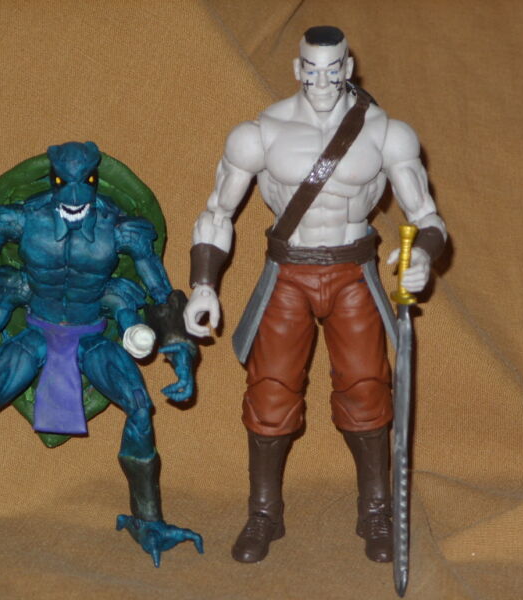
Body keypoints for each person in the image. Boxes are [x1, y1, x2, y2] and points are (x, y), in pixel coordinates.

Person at [183, 26, 447, 563]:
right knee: (270, 393)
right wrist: (203, 285)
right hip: (289, 273)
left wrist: (422, 255)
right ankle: (264, 511)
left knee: (367, 389)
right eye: (311, 70)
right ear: (298, 69)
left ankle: (375, 510)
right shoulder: (259, 134)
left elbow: (427, 217)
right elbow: (216, 213)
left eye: (333, 71)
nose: (322, 82)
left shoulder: (387, 134)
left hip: (353, 272)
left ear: (348, 68)